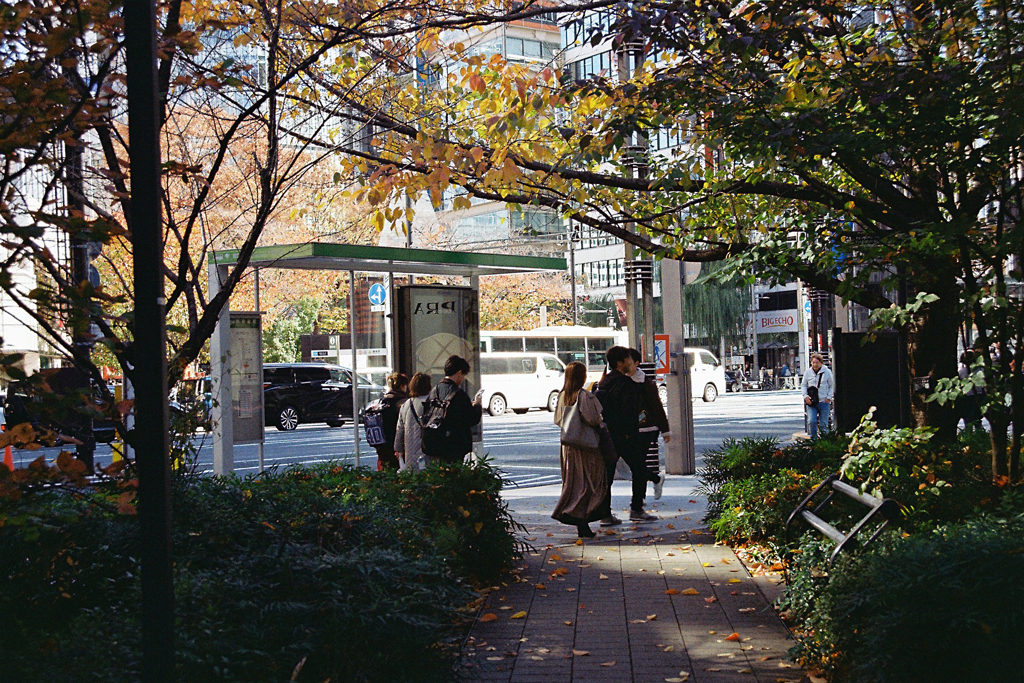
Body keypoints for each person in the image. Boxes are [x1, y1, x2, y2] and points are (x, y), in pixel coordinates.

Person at [596, 346, 658, 523]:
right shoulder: (626, 384)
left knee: (607, 475)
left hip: (607, 435)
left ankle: (605, 514)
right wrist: (632, 433)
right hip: (625, 436)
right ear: (620, 362)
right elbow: (629, 412)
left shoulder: (604, 381)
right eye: (627, 359)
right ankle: (636, 509)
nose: (630, 362)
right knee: (639, 470)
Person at [551, 361, 609, 538]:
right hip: (587, 447)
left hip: (569, 446)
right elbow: (593, 418)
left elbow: (558, 420)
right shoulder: (584, 396)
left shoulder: (562, 395)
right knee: (591, 481)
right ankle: (581, 518)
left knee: (574, 483)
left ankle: (575, 516)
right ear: (582, 376)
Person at [421, 355, 484, 463]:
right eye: (463, 375)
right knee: (452, 472)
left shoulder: (434, 391)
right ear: (459, 372)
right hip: (453, 447)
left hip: (433, 445)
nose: (463, 378)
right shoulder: (459, 394)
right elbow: (472, 419)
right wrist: (477, 405)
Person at [629, 348, 669, 502]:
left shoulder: (646, 383)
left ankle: (638, 500)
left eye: (629, 362)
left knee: (638, 464)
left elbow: (657, 407)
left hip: (647, 428)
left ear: (636, 363)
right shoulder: (621, 381)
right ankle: (655, 479)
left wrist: (665, 430)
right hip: (629, 428)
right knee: (636, 464)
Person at [371, 373, 409, 471]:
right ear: (402, 386)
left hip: (382, 445)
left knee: (385, 471)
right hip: (397, 446)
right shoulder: (403, 403)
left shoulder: (382, 402)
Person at [395, 372, 431, 471]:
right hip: (429, 450)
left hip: (411, 451)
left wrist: (398, 449)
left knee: (413, 474)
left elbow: (400, 429)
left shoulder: (406, 404)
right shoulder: (432, 403)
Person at [802, 352, 834, 439]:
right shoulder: (808, 372)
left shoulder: (827, 372)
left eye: (817, 362)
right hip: (812, 402)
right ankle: (814, 440)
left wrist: (829, 397)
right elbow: (804, 385)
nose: (815, 364)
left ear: (821, 363)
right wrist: (805, 396)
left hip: (824, 401)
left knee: (823, 424)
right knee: (811, 421)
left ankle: (824, 441)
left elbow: (831, 385)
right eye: (813, 362)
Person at [958, 350, 983, 428]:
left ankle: (968, 432)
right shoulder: (979, 370)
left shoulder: (961, 371)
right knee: (977, 418)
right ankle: (979, 432)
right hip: (978, 395)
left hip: (967, 396)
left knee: (967, 419)